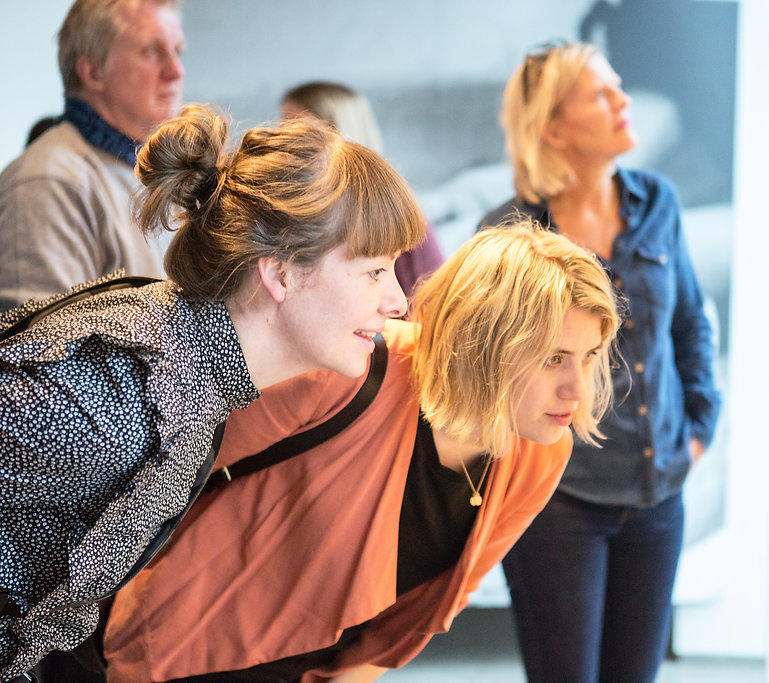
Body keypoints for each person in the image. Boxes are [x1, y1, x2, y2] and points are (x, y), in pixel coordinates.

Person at [0, 105, 424, 679]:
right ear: (280, 274)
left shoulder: (192, 381)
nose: (397, 302)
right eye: (373, 272)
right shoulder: (115, 400)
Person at [99, 225, 620, 683]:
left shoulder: (540, 451)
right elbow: (163, 468)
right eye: (553, 359)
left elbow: (439, 602)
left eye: (589, 357)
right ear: (488, 342)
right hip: (171, 652)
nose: (577, 389)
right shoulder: (351, 367)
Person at [479, 42, 722, 682]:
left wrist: (700, 428)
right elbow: (483, 373)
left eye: (618, 86)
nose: (623, 101)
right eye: (599, 93)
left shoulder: (658, 202)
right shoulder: (509, 234)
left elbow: (690, 323)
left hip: (657, 492)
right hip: (555, 502)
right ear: (553, 127)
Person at [0, 0, 189, 312]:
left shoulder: (160, 176)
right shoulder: (47, 185)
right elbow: (43, 342)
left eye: (178, 51)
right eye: (153, 51)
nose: (176, 71)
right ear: (93, 72)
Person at [281, 81, 445, 295]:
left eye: (303, 135)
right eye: (284, 131)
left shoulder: (395, 218)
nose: (287, 147)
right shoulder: (287, 215)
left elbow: (429, 307)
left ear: (342, 133)